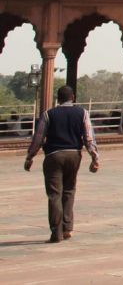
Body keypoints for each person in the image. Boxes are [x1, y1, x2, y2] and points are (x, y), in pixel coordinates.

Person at [23, 85, 100, 243]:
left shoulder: (49, 114)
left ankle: (56, 233)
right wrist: (94, 157)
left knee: (54, 195)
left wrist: (30, 156)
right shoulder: (82, 113)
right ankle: (67, 228)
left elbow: (39, 137)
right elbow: (88, 136)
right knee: (69, 190)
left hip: (54, 155)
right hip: (74, 155)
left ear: (58, 99)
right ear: (73, 98)